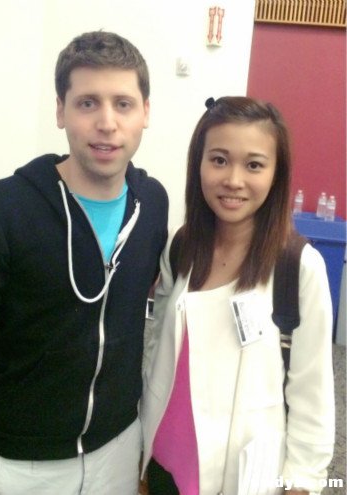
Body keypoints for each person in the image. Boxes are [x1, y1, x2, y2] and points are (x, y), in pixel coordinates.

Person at [0, 31, 168, 495]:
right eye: (88, 103)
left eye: (123, 104)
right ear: (60, 110)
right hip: (19, 465)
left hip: (118, 450)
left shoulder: (152, 204)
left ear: (146, 112)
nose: (107, 123)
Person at [140, 97, 334, 495]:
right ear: (198, 164)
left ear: (276, 174)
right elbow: (157, 348)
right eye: (219, 160)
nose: (233, 179)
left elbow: (311, 392)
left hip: (242, 475)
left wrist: (301, 481)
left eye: (254, 165)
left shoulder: (298, 267)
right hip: (163, 463)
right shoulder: (180, 246)